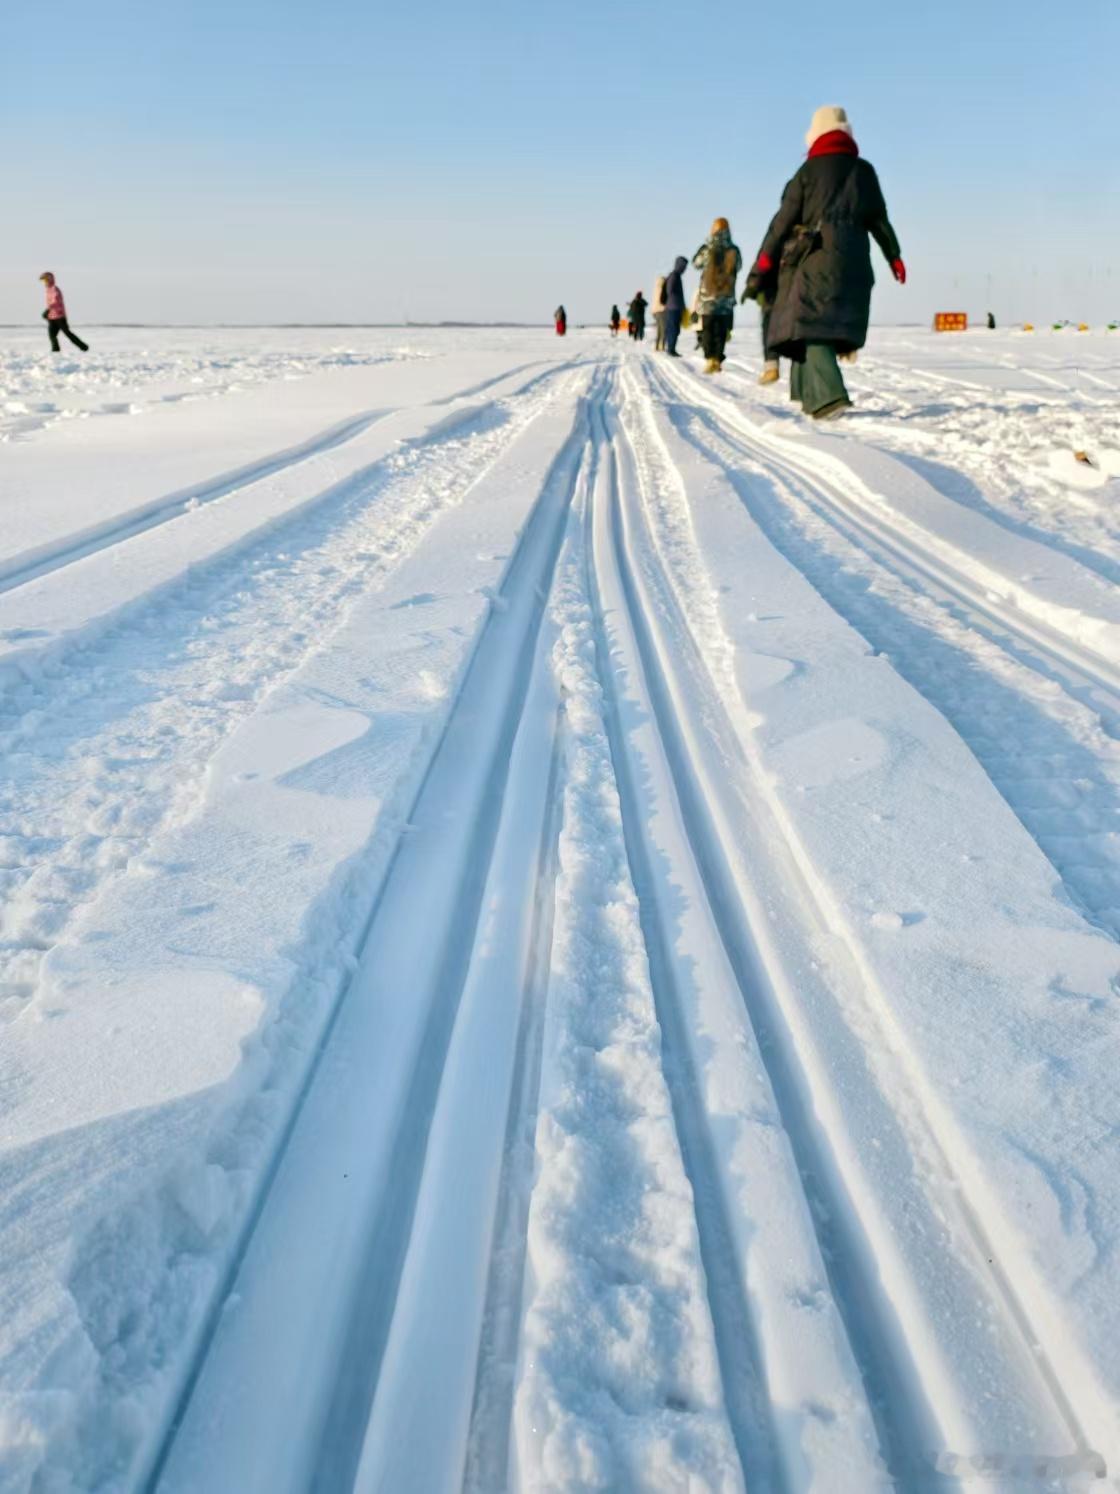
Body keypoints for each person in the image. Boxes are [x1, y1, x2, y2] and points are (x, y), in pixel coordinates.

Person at [747, 105, 904, 419]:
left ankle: (829, 399)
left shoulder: (807, 172)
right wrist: (894, 257)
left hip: (815, 259)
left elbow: (782, 223)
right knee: (820, 324)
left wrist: (763, 261)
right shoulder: (864, 171)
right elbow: (880, 221)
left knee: (811, 326)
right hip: (855, 261)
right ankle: (806, 395)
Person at [692, 218, 742, 372]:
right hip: (726, 296)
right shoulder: (734, 250)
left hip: (708, 296)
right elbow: (738, 266)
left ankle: (710, 359)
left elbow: (696, 263)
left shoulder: (707, 248)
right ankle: (718, 360)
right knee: (721, 330)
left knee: (707, 329)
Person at [39, 272, 89, 353]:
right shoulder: (48, 290)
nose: (44, 282)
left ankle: (84, 347)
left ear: (50, 279)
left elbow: (56, 301)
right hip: (51, 317)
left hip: (59, 317)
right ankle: (55, 351)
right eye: (43, 280)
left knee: (68, 333)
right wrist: (48, 313)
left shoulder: (55, 289)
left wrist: (48, 309)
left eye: (45, 280)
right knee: (52, 335)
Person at [663, 256, 688, 357]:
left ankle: (671, 348)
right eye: (684, 266)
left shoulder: (676, 275)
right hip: (673, 307)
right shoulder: (674, 275)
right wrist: (676, 299)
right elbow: (670, 290)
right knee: (673, 328)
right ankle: (671, 349)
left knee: (675, 329)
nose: (685, 269)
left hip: (675, 306)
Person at [652, 275, 668, 350]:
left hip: (656, 311)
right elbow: (663, 300)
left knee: (659, 330)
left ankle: (657, 346)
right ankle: (662, 346)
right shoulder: (663, 289)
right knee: (664, 329)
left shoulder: (656, 288)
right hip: (662, 310)